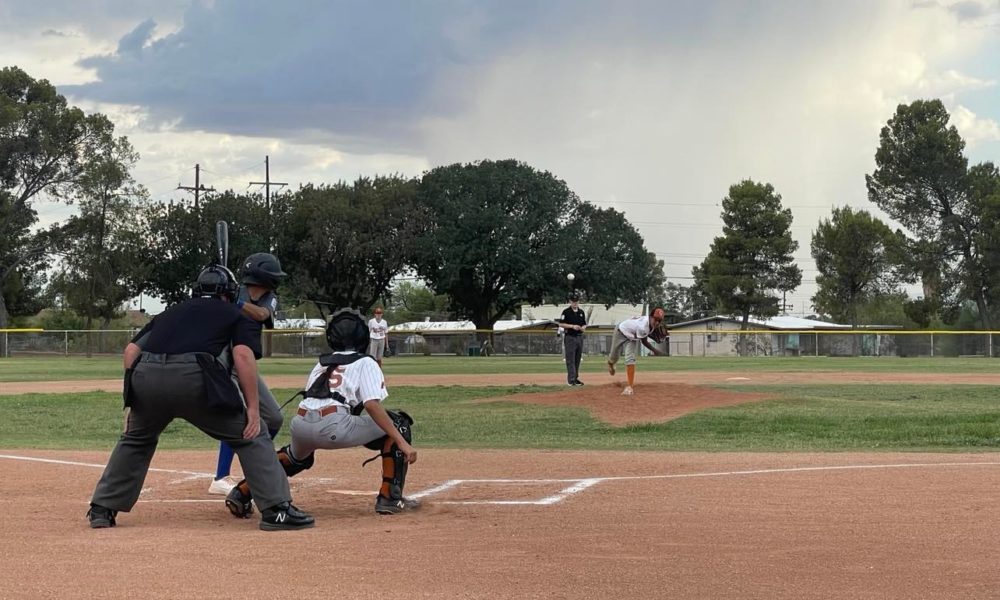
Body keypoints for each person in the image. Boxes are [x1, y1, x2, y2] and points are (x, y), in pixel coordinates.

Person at [86, 265, 314, 531]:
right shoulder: (238, 315)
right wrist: (253, 408)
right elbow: (242, 357)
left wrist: (132, 402)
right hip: (195, 379)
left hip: (146, 378)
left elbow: (131, 351)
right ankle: (277, 510)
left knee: (136, 439)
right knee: (252, 435)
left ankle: (102, 508)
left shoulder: (170, 312)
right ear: (230, 293)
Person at [225, 308, 420, 518]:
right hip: (333, 426)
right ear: (364, 336)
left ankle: (242, 492)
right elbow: (371, 405)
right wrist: (400, 441)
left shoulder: (322, 362)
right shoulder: (366, 362)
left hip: (301, 423)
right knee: (398, 423)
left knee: (296, 458)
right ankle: (390, 497)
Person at [209, 252, 287, 495]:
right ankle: (220, 478)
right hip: (226, 365)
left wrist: (236, 302)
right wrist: (224, 297)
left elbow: (262, 315)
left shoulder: (269, 297)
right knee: (238, 418)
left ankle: (256, 459)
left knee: (274, 418)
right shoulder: (232, 290)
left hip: (247, 365)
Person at [606, 306, 669, 396]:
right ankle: (610, 363)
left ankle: (629, 387)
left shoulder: (651, 325)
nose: (657, 322)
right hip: (621, 331)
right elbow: (644, 341)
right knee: (614, 357)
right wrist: (656, 351)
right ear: (651, 317)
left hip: (632, 337)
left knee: (630, 358)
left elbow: (645, 335)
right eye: (656, 319)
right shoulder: (643, 326)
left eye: (659, 321)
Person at [558, 293, 587, 386]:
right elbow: (561, 324)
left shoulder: (581, 312)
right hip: (570, 337)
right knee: (570, 359)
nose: (575, 303)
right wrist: (572, 326)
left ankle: (575, 378)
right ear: (570, 302)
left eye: (576, 301)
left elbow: (584, 324)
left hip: (579, 337)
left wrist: (583, 328)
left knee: (577, 359)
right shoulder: (566, 312)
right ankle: (571, 380)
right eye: (573, 301)